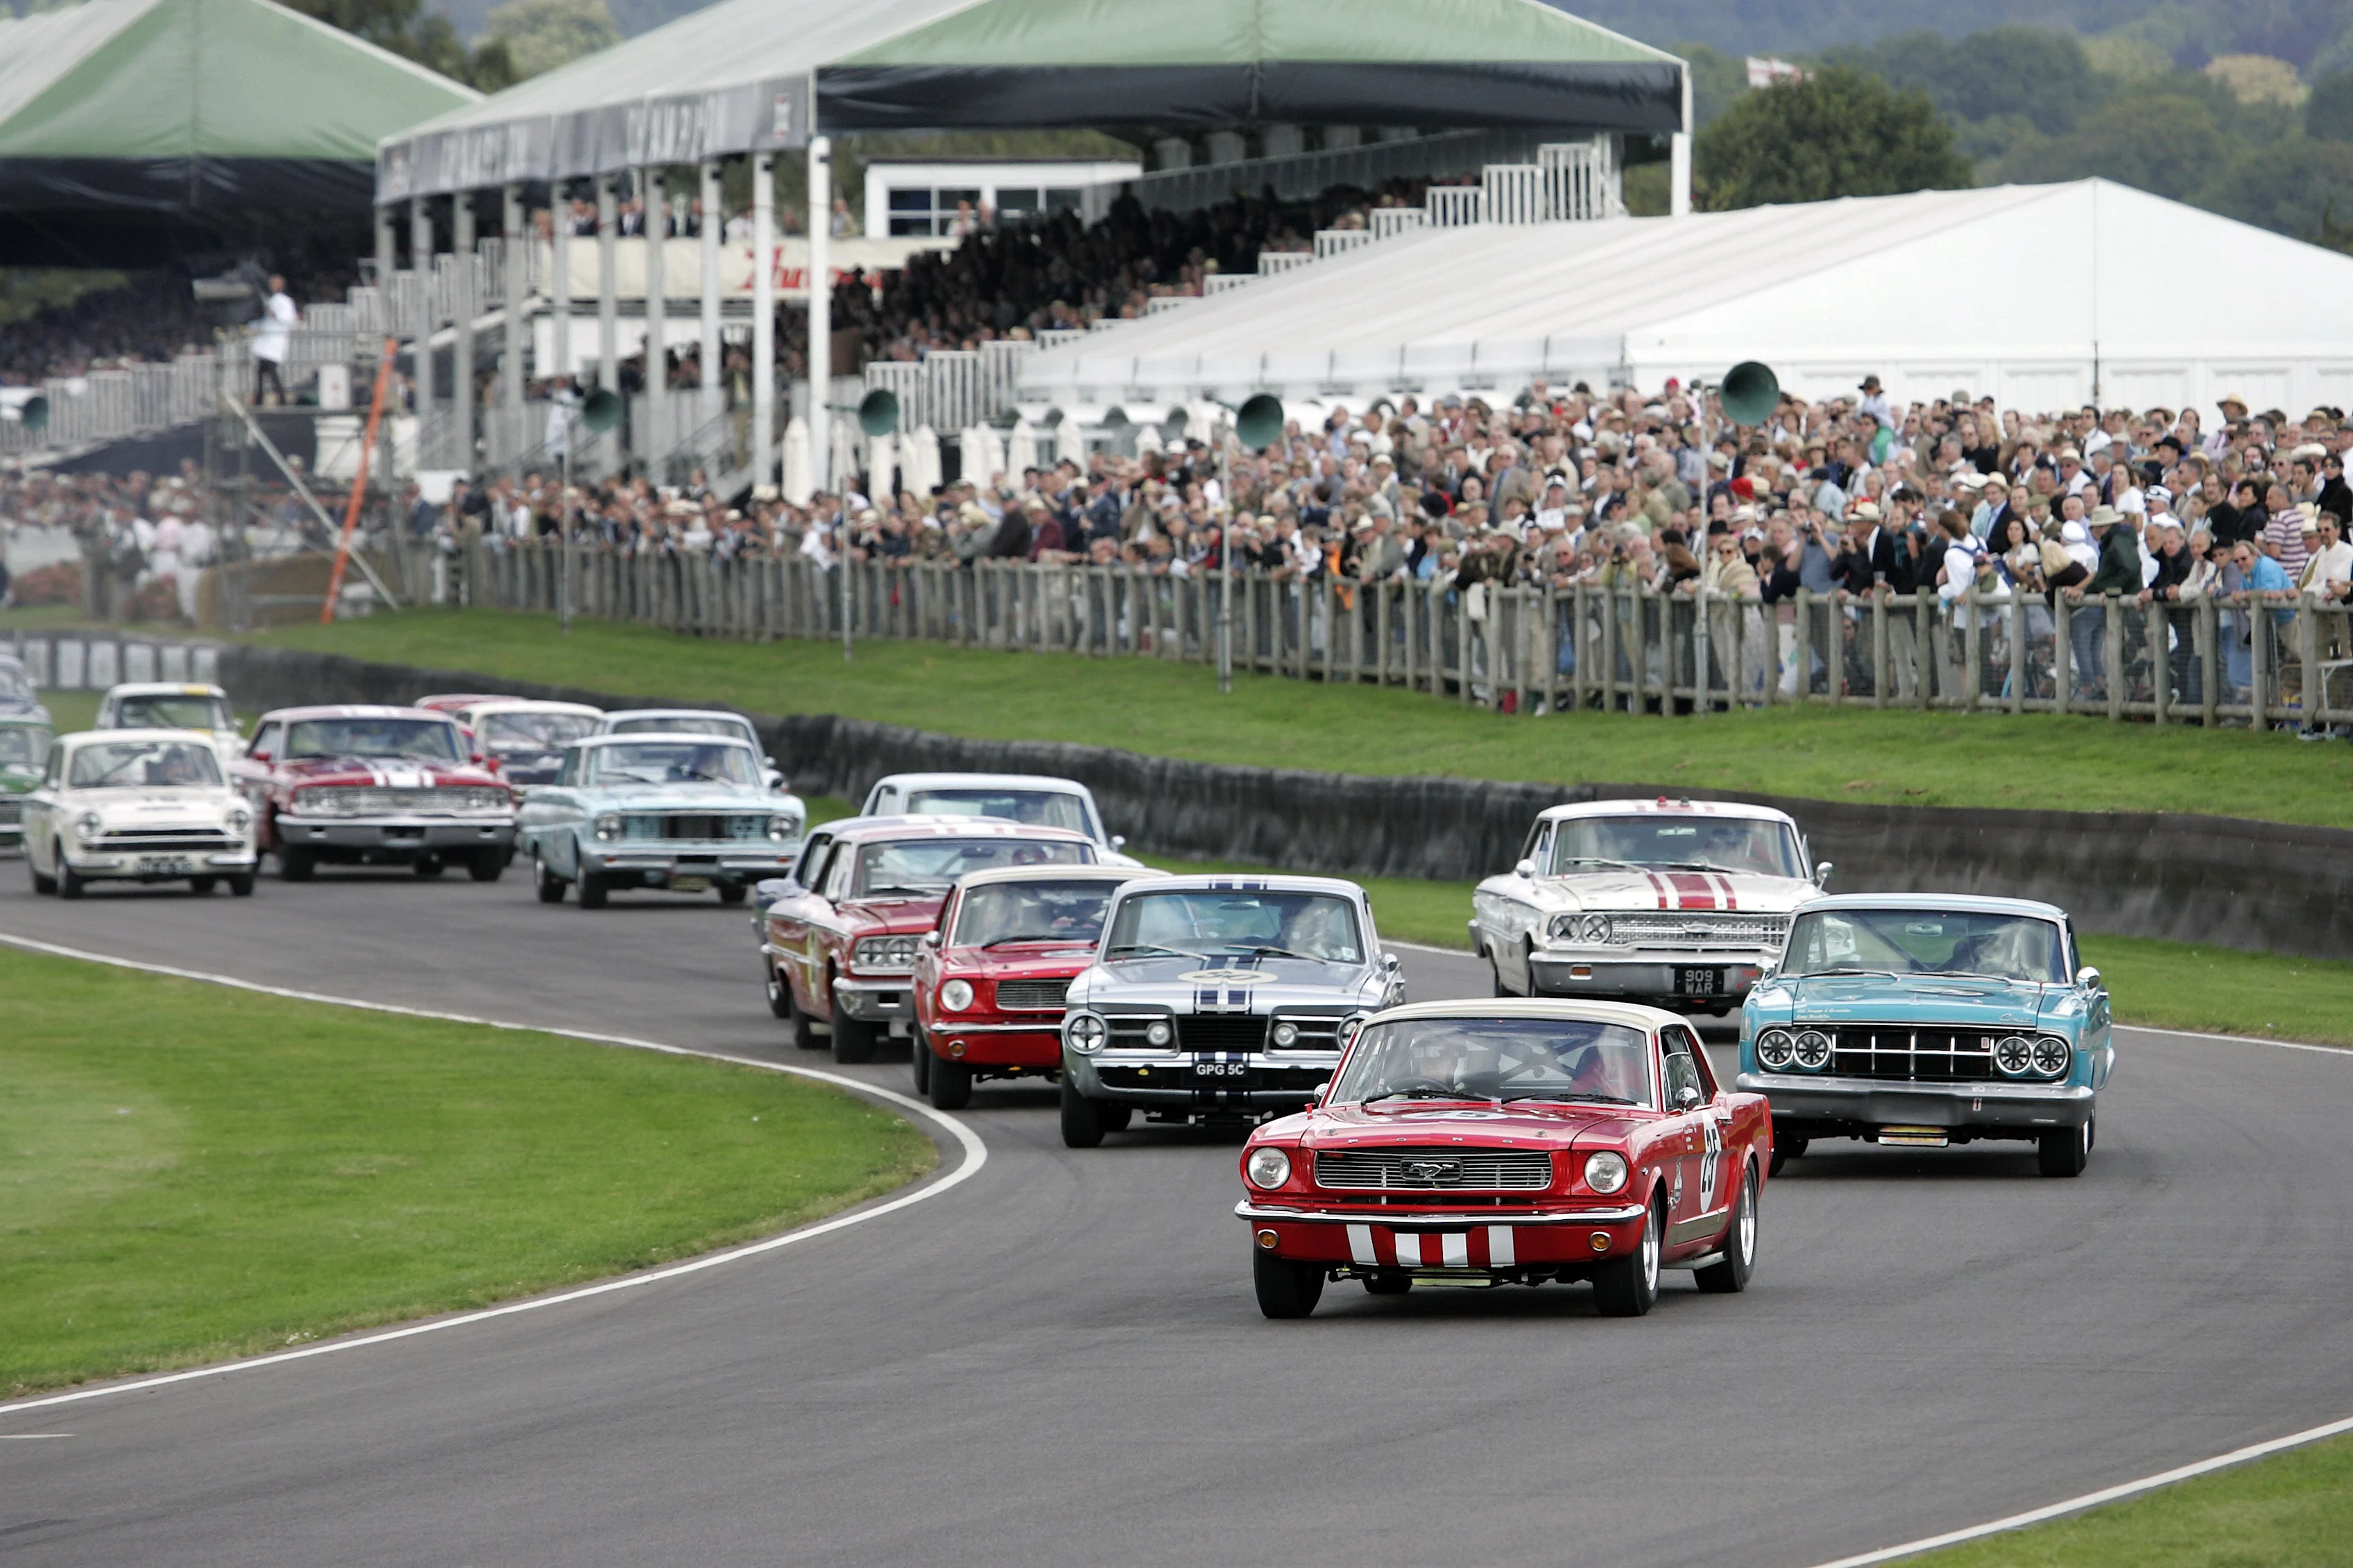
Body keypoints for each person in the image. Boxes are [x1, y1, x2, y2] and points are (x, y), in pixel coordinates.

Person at [251, 275, 296, 406]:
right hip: (266, 340)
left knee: (269, 371)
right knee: (261, 371)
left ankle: (280, 399)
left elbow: (288, 319)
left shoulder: (285, 301)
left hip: (275, 341)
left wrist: (274, 314)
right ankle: (261, 398)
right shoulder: (271, 300)